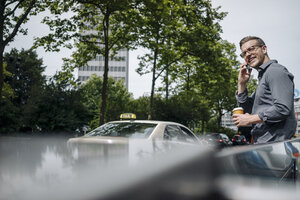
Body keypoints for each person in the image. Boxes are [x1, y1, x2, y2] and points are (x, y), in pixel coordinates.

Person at [233, 36, 296, 144]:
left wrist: (249, 119)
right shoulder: (263, 77)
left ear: (264, 49)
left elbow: (283, 109)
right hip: (264, 146)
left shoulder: (275, 71)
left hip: (275, 146)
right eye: (244, 53)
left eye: (251, 49)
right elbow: (247, 110)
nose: (247, 54)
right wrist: (241, 84)